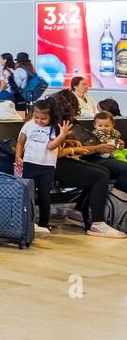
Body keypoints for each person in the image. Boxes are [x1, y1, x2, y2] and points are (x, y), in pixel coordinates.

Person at [49, 89, 121, 236]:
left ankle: (79, 212)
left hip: (58, 162)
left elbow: (57, 146)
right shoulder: (56, 124)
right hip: (52, 165)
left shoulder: (56, 121)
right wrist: (73, 150)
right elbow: (52, 152)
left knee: (103, 172)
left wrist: (69, 142)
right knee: (99, 176)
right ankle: (97, 223)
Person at [17, 101, 79, 236]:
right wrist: (18, 156)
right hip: (29, 164)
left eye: (43, 118)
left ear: (51, 116)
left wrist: (62, 135)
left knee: (44, 195)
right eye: (36, 117)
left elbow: (51, 146)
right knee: (28, 194)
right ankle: (27, 221)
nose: (39, 121)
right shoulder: (28, 125)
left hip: (47, 166)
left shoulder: (54, 129)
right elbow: (20, 142)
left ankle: (44, 223)